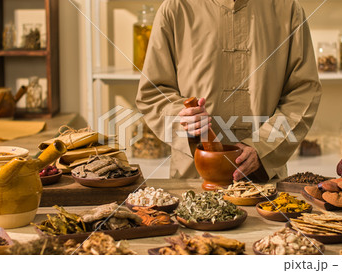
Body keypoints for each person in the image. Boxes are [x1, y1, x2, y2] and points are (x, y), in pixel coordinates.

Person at [136, 0, 322, 181]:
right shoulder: (175, 8)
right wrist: (181, 118)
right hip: (193, 179)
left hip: (263, 181)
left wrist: (262, 147)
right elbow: (153, 93)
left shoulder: (288, 8)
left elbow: (303, 93)